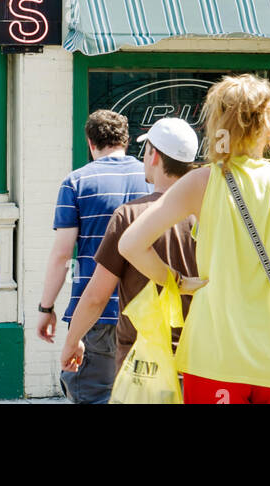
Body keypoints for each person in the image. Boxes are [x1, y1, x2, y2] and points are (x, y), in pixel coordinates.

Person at [119, 74, 270, 405]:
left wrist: (176, 281)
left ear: (218, 122)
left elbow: (130, 244)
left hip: (213, 357)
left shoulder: (200, 182)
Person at [60, 116, 199, 378]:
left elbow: (96, 296)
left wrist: (72, 340)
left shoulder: (130, 216)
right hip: (199, 360)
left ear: (154, 156)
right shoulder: (208, 214)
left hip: (142, 365)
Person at [38, 108, 149, 404]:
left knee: (94, 395)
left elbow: (63, 253)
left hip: (94, 313)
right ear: (126, 140)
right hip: (147, 309)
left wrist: (45, 306)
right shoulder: (151, 179)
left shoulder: (76, 182)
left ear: (90, 141)